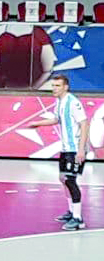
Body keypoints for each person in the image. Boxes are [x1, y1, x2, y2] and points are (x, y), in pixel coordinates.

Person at [28, 74, 88, 231]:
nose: (54, 89)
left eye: (57, 86)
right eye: (53, 86)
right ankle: (71, 211)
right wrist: (38, 123)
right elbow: (56, 119)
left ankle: (78, 219)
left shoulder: (73, 103)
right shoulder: (59, 102)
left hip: (75, 148)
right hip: (66, 148)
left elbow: (84, 124)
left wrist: (81, 149)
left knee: (70, 180)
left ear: (65, 87)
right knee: (63, 179)